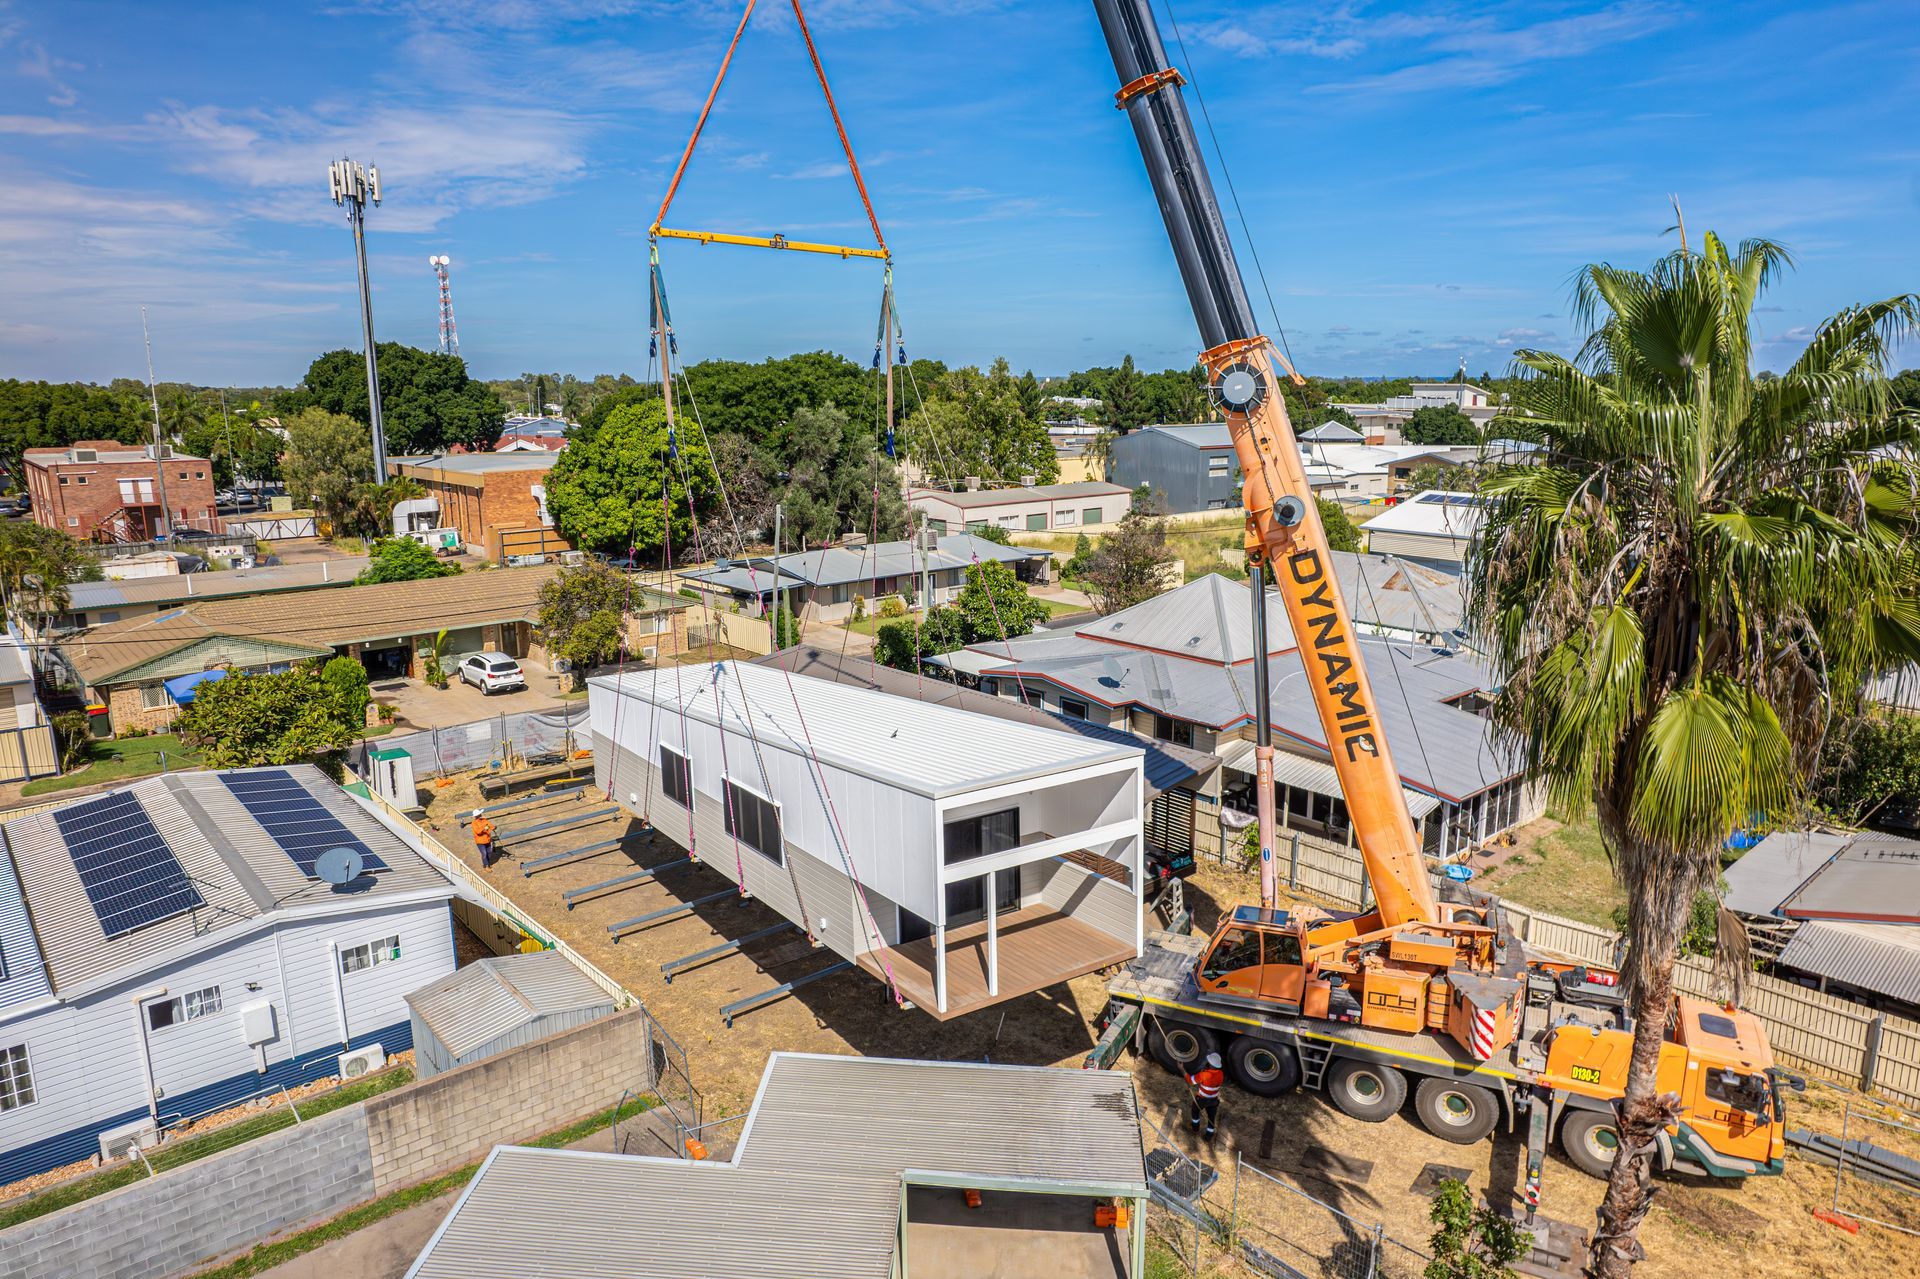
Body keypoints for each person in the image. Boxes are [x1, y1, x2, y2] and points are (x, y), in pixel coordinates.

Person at [1186, 1051, 1224, 1138]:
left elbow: (1191, 1080)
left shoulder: (1204, 1074)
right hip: (1214, 1101)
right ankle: (1208, 1136)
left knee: (1195, 1111)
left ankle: (1195, 1128)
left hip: (1202, 1099)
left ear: (1210, 1064)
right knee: (1211, 1118)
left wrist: (1182, 1070)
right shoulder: (1221, 1074)